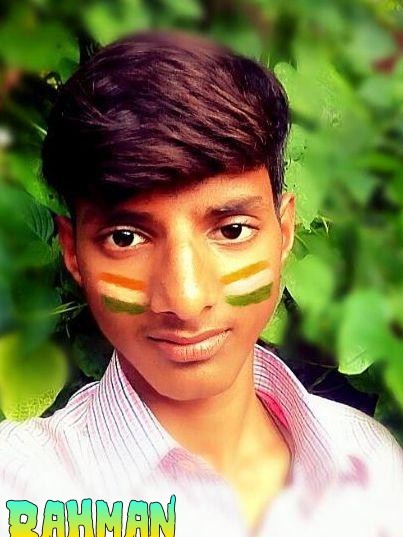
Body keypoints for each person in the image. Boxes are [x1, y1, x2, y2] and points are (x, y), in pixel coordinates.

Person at [0, 30, 402, 537]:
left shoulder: (373, 467)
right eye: (126, 238)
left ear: (284, 233)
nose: (186, 300)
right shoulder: (20, 494)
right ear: (73, 252)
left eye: (232, 231)